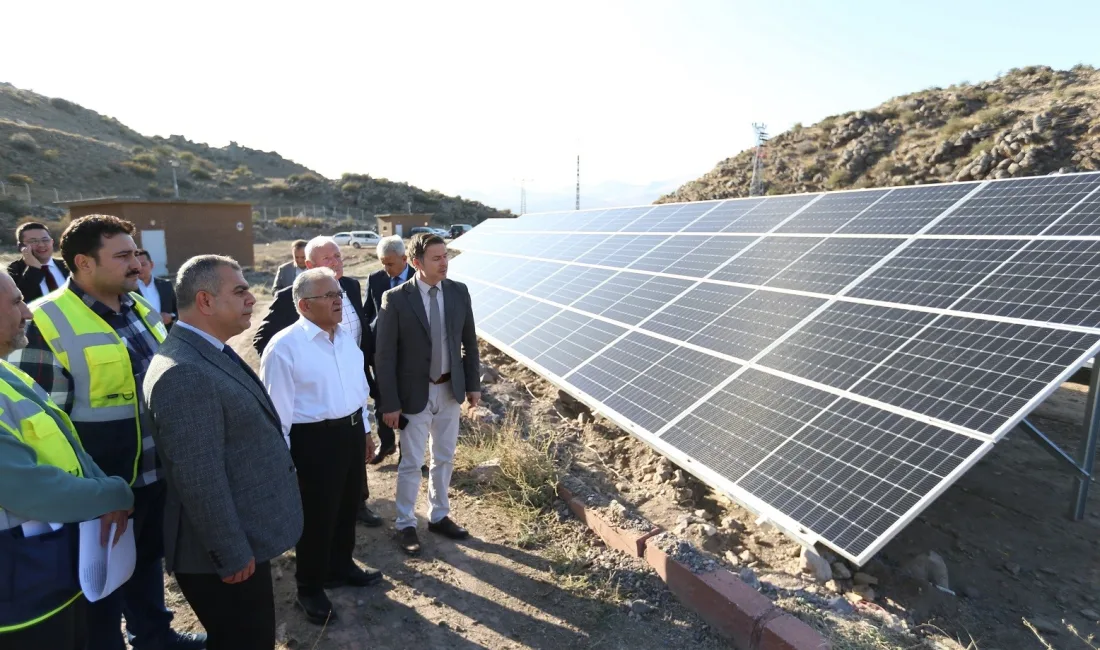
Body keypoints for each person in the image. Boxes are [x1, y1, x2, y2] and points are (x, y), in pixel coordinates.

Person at [8, 214, 205, 650]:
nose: (136, 263)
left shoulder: (140, 309)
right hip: (100, 491)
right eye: (122, 256)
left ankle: (155, 638)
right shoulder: (45, 322)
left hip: (154, 476)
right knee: (98, 589)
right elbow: (40, 425)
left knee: (146, 564)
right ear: (83, 262)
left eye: (135, 253)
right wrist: (89, 494)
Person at [144, 255, 303, 650]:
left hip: (240, 539)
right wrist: (230, 553)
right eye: (240, 290)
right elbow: (200, 478)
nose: (252, 297)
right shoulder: (185, 372)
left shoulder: (204, 350)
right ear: (206, 301)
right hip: (221, 556)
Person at [0, 272, 134, 650]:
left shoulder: (7, 371)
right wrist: (113, 494)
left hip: (48, 566)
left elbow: (69, 446)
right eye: (15, 302)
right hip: (17, 586)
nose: (27, 312)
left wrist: (100, 493)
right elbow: (25, 488)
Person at [260, 267, 381, 624]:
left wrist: (366, 432)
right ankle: (309, 587)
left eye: (338, 294)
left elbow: (359, 388)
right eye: (328, 296)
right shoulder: (284, 347)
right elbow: (276, 415)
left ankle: (341, 567)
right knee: (316, 516)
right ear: (304, 305)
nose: (338, 301)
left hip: (349, 431)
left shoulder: (343, 336)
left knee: (347, 505)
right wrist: (287, 465)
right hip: (312, 440)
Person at [252, 236, 383, 527]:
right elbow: (263, 339)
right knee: (319, 505)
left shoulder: (349, 285)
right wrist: (303, 361)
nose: (337, 263)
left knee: (352, 467)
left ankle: (358, 505)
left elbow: (361, 330)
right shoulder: (291, 297)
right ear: (309, 266)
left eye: (338, 256)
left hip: (349, 379)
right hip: (314, 408)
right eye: (329, 259)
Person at [375, 232, 481, 555]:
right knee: (411, 461)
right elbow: (385, 356)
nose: (444, 262)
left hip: (450, 389)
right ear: (416, 263)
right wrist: (389, 403)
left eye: (446, 256)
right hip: (413, 395)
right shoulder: (395, 299)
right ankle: (406, 523)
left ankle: (439, 515)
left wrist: (473, 384)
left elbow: (469, 343)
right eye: (436, 258)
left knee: (444, 457)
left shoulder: (459, 293)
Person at [363, 235, 414, 465]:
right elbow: (368, 311)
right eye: (382, 263)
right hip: (380, 351)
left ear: (404, 258)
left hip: (408, 353)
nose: (386, 268)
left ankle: (408, 451)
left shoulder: (418, 279)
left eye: (390, 264)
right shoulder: (375, 279)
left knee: (408, 402)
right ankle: (387, 443)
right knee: (382, 399)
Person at [7, 221, 69, 304]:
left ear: (52, 242)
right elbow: (19, 301)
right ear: (21, 246)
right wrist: (34, 269)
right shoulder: (14, 270)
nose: (41, 245)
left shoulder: (67, 265)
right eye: (33, 241)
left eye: (45, 240)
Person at [136, 250, 178, 330]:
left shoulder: (166, 285)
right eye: (137, 265)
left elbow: (179, 310)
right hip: (143, 337)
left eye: (143, 264)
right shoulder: (129, 291)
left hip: (167, 335)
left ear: (151, 264)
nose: (140, 268)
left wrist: (171, 317)